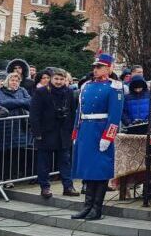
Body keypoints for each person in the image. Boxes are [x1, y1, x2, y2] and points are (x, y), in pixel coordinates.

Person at [70, 53, 123, 221]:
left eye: (99, 66)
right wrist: (75, 132)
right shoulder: (85, 86)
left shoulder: (115, 87)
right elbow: (79, 112)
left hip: (101, 130)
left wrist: (108, 137)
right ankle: (87, 206)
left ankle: (97, 208)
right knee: (88, 169)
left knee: (100, 170)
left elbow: (115, 115)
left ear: (108, 68)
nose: (95, 69)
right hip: (86, 130)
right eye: (94, 66)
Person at [29, 68, 79, 198]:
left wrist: (72, 129)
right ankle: (45, 187)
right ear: (51, 79)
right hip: (45, 132)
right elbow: (34, 114)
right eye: (56, 79)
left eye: (61, 79)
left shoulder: (69, 92)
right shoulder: (41, 92)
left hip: (63, 132)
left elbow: (73, 112)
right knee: (44, 162)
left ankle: (68, 186)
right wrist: (37, 132)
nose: (58, 82)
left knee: (65, 161)